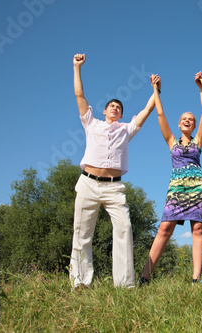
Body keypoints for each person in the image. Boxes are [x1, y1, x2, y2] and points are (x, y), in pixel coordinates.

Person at [69, 53, 157, 289]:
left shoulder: (126, 130)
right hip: (88, 182)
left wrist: (156, 90)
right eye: (112, 106)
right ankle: (80, 283)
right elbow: (79, 94)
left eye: (119, 107)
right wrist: (77, 68)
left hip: (114, 187)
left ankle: (125, 286)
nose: (115, 108)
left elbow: (147, 111)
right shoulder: (92, 123)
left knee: (124, 230)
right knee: (82, 233)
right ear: (105, 110)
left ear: (121, 113)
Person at [140, 72, 202, 286]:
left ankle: (196, 280)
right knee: (165, 228)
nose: (188, 121)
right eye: (184, 119)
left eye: (191, 120)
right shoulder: (172, 141)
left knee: (197, 229)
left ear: (193, 125)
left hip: (198, 187)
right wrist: (156, 90)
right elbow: (160, 115)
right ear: (179, 124)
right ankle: (145, 277)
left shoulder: (198, 140)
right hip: (176, 187)